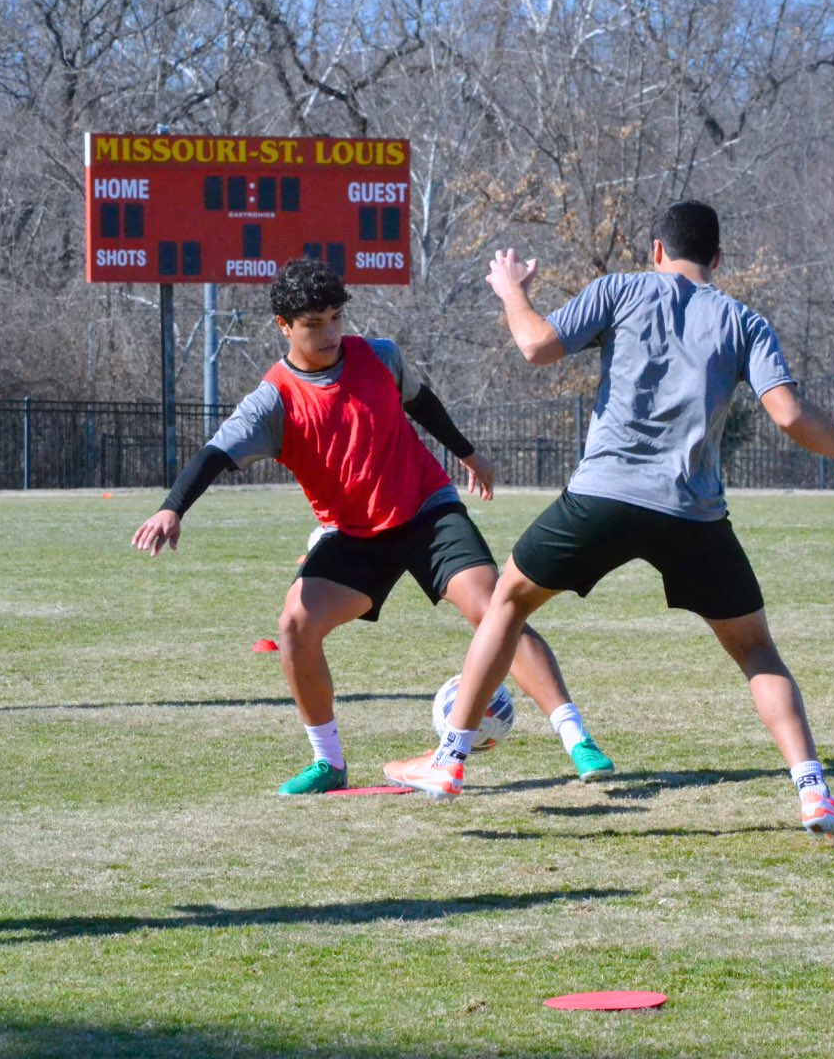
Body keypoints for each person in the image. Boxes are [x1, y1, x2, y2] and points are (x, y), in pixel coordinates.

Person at [384, 201, 834, 845]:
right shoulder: (743, 321)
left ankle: (450, 759)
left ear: (656, 251)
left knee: (506, 602)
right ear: (717, 260)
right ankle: (814, 792)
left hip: (603, 497)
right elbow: (788, 414)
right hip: (692, 512)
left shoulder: (620, 290)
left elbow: (536, 345)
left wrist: (511, 291)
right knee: (757, 651)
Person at [132, 257, 614, 794]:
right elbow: (215, 454)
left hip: (427, 512)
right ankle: (328, 762)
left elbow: (422, 403)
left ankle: (577, 739)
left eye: (336, 318)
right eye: (314, 324)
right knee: (295, 625)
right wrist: (173, 507)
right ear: (284, 326)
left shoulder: (380, 356)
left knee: (494, 609)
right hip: (354, 535)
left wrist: (468, 453)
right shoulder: (273, 400)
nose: (330, 333)